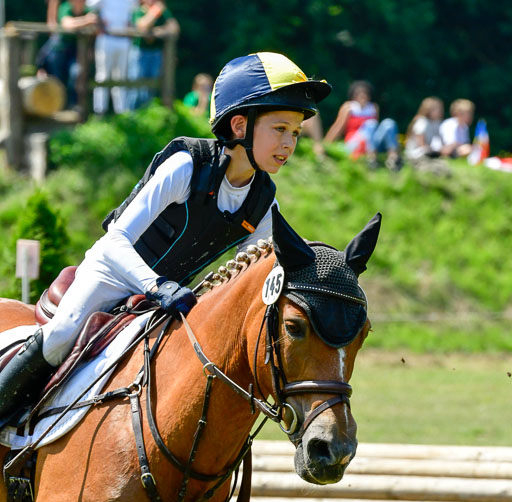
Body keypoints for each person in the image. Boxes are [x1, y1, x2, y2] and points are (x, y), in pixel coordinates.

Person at [0, 51, 331, 426]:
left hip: (170, 299)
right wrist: (156, 285)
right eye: (280, 129)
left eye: (296, 133)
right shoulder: (186, 165)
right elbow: (115, 239)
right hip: (112, 275)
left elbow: (260, 271)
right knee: (60, 336)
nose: (289, 143)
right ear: (240, 125)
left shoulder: (261, 200)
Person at [324, 80, 401, 170]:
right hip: (354, 142)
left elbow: (375, 132)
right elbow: (338, 127)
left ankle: (393, 158)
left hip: (369, 143)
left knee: (389, 123)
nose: (362, 96)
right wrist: (326, 144)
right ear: (354, 95)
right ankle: (371, 159)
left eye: (365, 93)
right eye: (359, 93)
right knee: (371, 124)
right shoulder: (349, 107)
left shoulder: (374, 108)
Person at [36, 0, 98, 106]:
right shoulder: (65, 8)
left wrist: (78, 22)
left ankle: (73, 106)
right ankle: (58, 105)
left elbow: (96, 27)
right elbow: (67, 24)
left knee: (76, 74)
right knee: (56, 78)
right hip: (60, 51)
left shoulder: (88, 10)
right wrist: (86, 20)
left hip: (77, 52)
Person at [127, 0, 179, 110]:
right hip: (140, 53)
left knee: (151, 89)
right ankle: (132, 117)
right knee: (136, 88)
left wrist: (155, 31)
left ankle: (147, 116)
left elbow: (175, 28)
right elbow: (142, 26)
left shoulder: (163, 13)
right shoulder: (138, 11)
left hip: (156, 53)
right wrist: (155, 12)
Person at [87, 0, 137, 114]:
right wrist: (98, 22)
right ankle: (99, 111)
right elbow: (90, 5)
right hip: (106, 38)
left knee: (121, 77)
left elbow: (136, 9)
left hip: (124, 39)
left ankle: (122, 112)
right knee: (102, 76)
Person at [405, 97, 446, 161]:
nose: (440, 111)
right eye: (437, 109)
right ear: (429, 111)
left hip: (427, 149)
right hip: (416, 152)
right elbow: (421, 144)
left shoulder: (436, 123)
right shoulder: (422, 122)